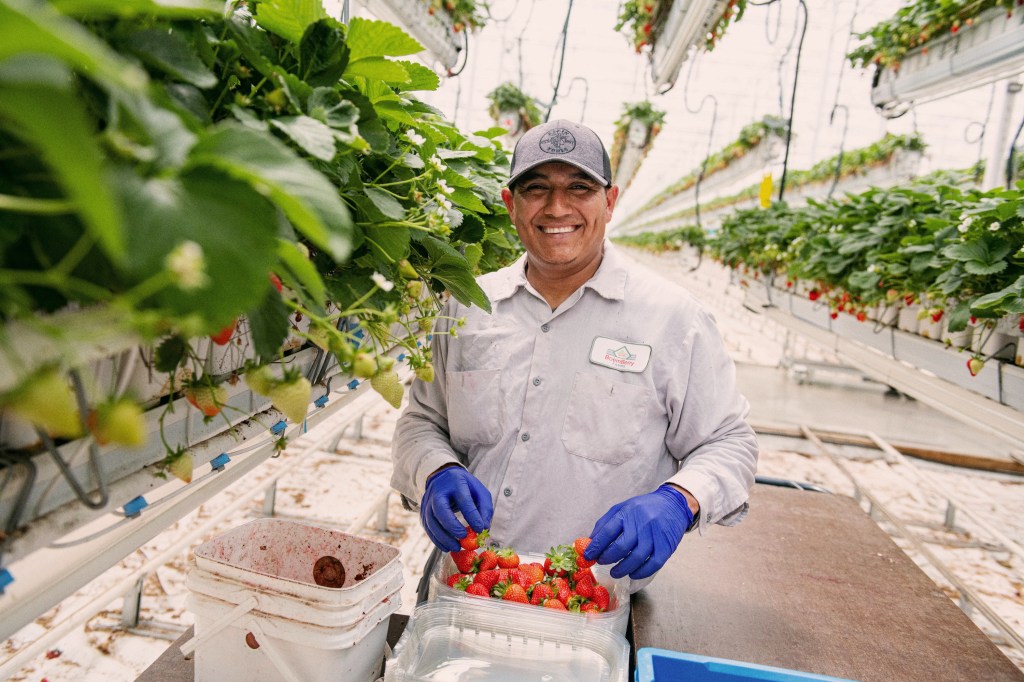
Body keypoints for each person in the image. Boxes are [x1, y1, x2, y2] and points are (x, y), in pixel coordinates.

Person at [390, 119, 758, 591]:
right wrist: (436, 469)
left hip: (591, 599)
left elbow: (729, 441)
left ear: (609, 201)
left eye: (579, 188)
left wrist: (679, 498)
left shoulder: (672, 320)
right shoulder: (468, 305)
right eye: (536, 188)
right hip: (465, 582)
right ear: (511, 203)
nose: (556, 207)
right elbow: (422, 419)